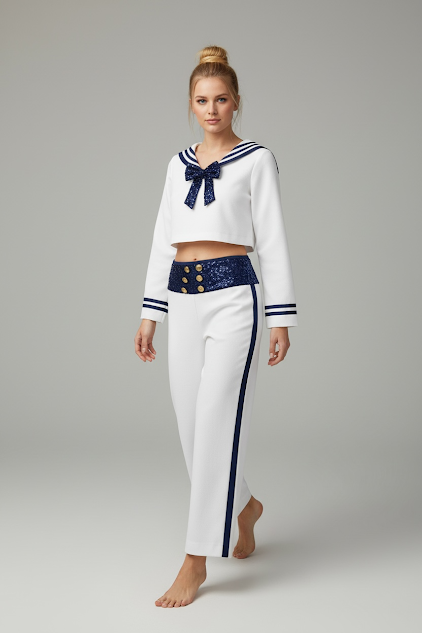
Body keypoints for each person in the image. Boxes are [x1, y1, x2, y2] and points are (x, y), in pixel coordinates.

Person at [134, 45, 298, 608]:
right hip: (182, 297)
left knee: (216, 422)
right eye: (202, 100)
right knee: (191, 425)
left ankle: (196, 558)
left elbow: (272, 238)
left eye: (221, 99)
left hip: (235, 299)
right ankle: (245, 506)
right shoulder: (176, 164)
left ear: (236, 102)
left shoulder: (257, 160)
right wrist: (151, 313)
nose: (212, 109)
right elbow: (163, 239)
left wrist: (279, 317)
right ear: (191, 104)